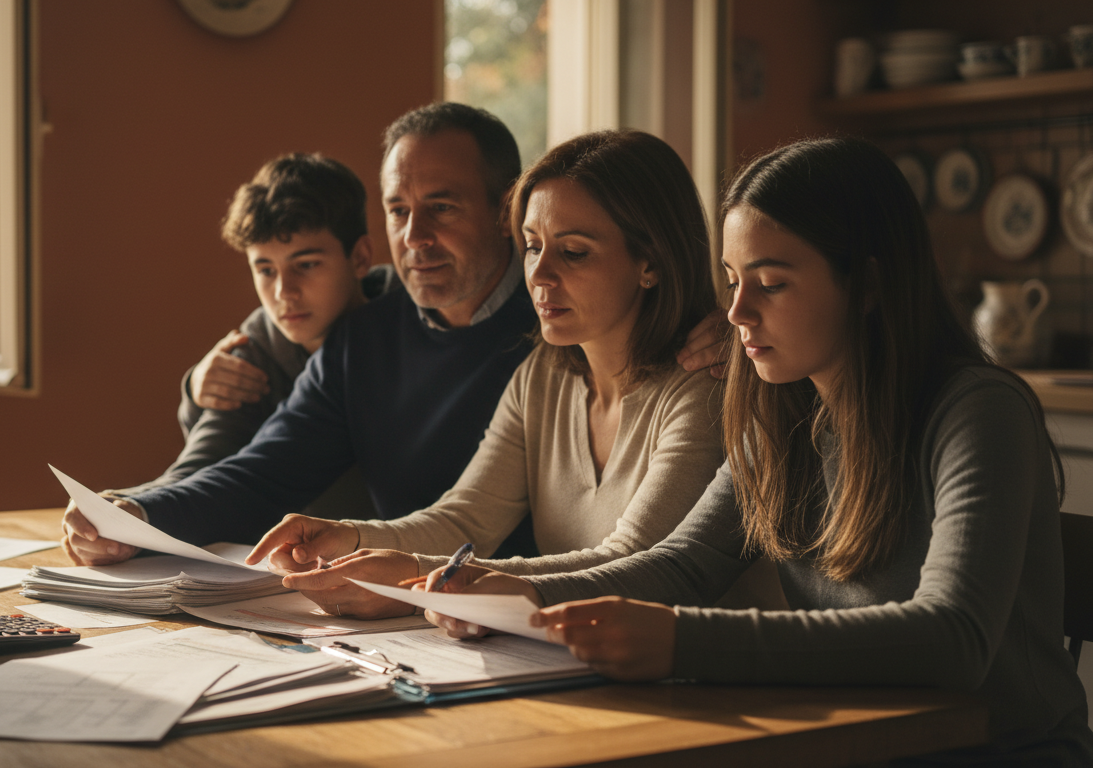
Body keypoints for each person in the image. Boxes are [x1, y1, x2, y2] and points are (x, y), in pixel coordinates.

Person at [424, 137, 1093, 764]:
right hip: (852, 745)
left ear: (869, 285)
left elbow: (953, 638)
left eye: (769, 283)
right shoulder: (786, 414)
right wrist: (520, 590)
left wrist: (682, 640)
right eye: (732, 278)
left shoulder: (978, 410)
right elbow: (683, 567)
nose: (737, 310)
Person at [60, 103, 729, 572]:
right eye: (398, 211)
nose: (413, 239)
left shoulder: (565, 325)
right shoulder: (365, 338)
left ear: (504, 210)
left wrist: (728, 329)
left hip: (526, 616)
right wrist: (136, 513)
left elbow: (644, 559)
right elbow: (266, 471)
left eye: (440, 207)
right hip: (436, 614)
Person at [245, 130, 732, 619]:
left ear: (650, 261)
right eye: (533, 246)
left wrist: (418, 574)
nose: (539, 276)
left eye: (574, 252)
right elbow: (467, 515)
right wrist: (347, 536)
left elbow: (633, 563)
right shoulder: (543, 373)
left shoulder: (704, 384)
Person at [92, 154, 398, 531]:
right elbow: (202, 468)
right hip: (287, 567)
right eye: (266, 270)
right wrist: (129, 509)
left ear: (361, 257)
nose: (284, 292)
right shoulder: (254, 350)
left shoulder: (418, 321)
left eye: (306, 264)